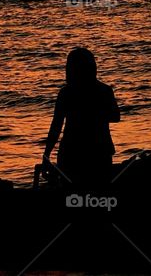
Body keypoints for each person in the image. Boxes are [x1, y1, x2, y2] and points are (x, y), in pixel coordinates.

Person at [42, 47, 120, 185]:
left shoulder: (66, 93)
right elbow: (115, 116)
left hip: (74, 153)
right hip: (98, 152)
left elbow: (56, 126)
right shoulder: (104, 90)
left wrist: (46, 154)